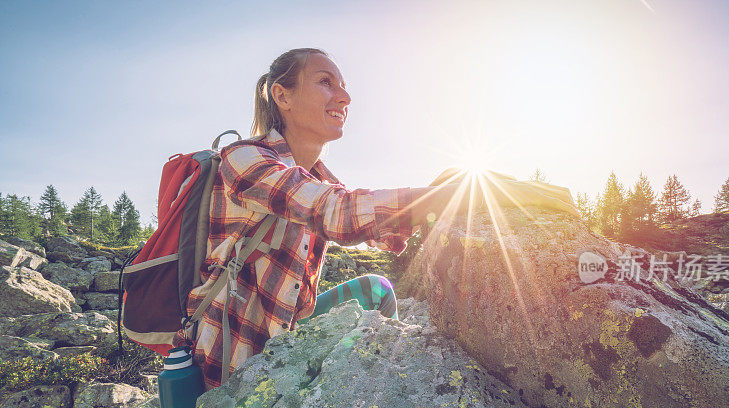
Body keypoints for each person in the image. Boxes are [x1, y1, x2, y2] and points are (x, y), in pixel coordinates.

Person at [174, 47, 580, 390]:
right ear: (283, 96)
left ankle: (387, 386)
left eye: (343, 86)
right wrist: (452, 195)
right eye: (326, 83)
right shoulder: (244, 159)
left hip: (288, 334)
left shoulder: (320, 178)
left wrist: (441, 193)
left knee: (377, 289)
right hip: (236, 351)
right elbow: (336, 212)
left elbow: (376, 228)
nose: (344, 97)